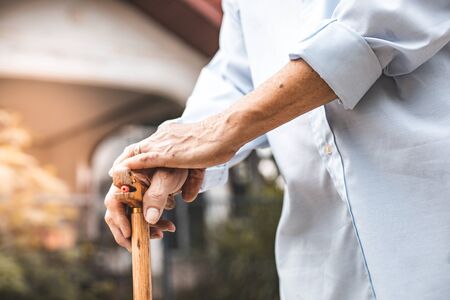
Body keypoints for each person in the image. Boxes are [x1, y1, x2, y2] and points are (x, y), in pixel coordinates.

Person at [104, 0, 450, 299]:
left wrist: (222, 130)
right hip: (319, 263)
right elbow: (237, 74)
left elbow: (382, 18)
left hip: (431, 236)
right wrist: (166, 154)